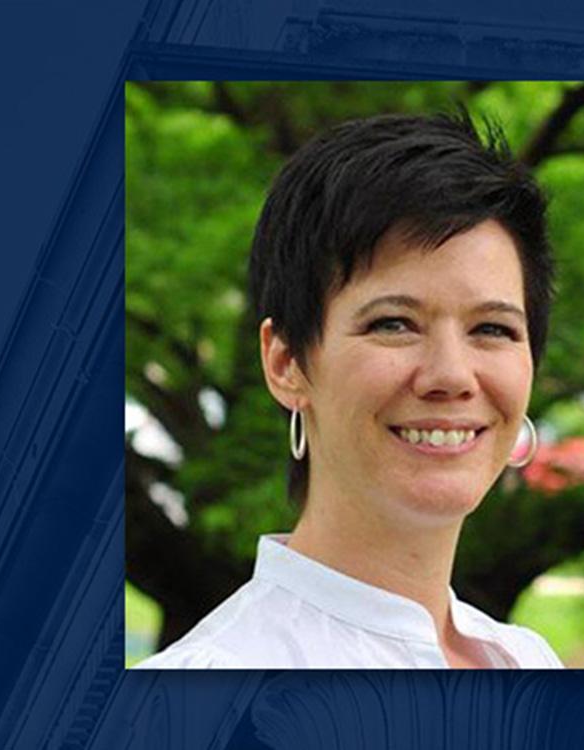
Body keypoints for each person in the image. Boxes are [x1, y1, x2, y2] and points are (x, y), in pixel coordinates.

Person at [135, 111, 562, 669]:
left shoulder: (528, 660)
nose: (452, 376)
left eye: (493, 329)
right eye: (393, 324)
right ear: (286, 362)